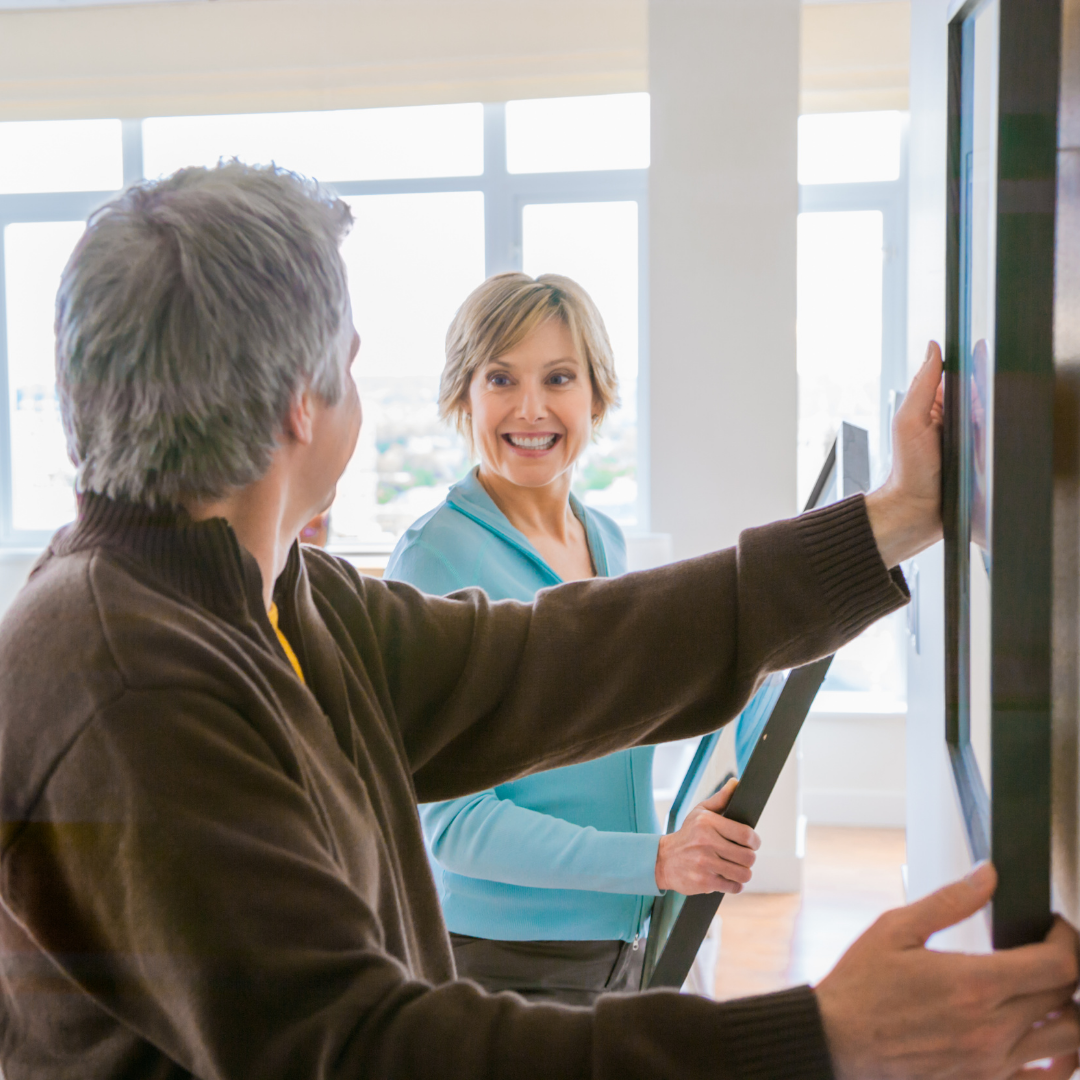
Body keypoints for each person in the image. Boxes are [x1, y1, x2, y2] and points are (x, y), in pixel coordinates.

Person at [0, 161, 1076, 1080]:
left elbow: (546, 662)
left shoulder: (276, 592)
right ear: (301, 400)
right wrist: (819, 1039)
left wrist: (888, 521)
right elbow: (365, 1053)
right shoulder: (126, 683)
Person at [385, 271, 761, 1003]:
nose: (532, 408)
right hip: (505, 959)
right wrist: (652, 861)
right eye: (501, 378)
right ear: (463, 394)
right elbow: (455, 825)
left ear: (598, 394)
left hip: (617, 939)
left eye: (560, 377)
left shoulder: (603, 538)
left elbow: (612, 738)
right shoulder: (434, 559)